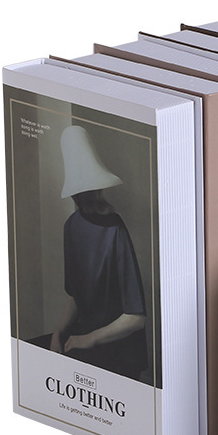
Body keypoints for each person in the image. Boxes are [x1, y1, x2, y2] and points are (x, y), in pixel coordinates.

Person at [48, 125, 148, 381]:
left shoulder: (114, 228)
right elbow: (75, 295)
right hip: (86, 345)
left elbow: (136, 318)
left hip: (120, 353)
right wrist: (59, 332)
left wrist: (87, 339)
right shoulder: (71, 226)